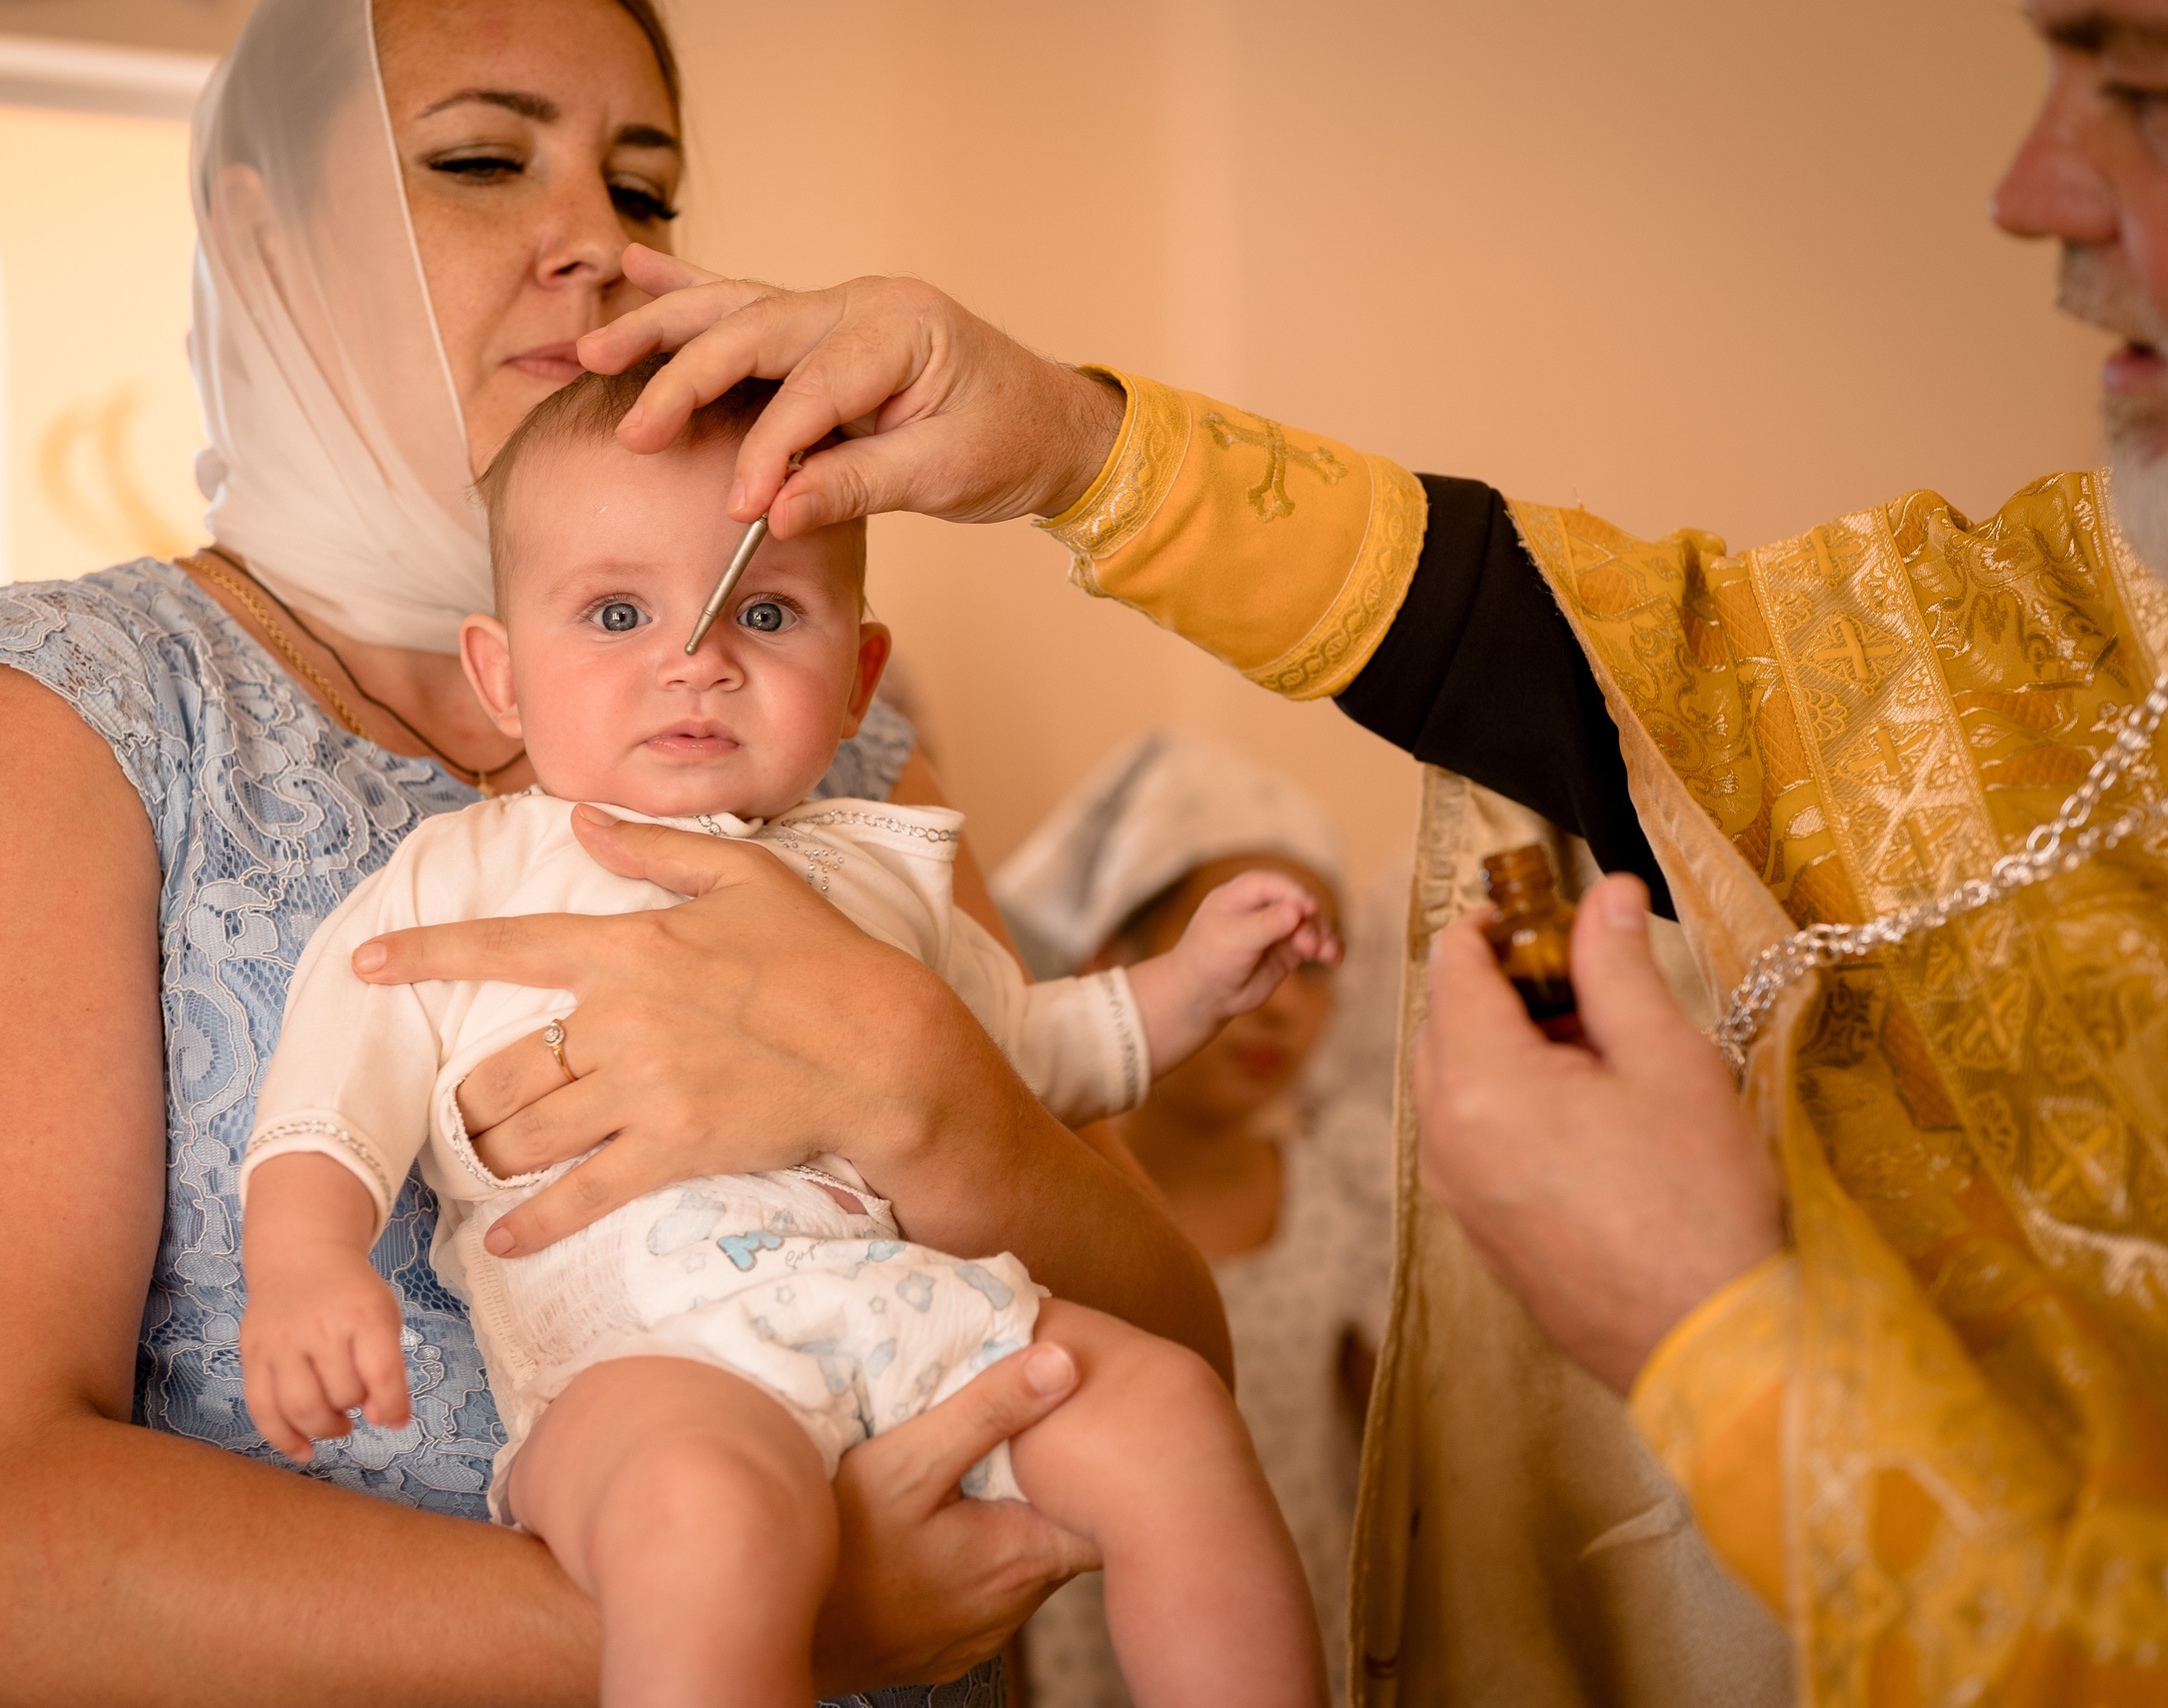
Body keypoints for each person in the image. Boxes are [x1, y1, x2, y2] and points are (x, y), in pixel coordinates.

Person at [522, 2, 2168, 1695]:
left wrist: (1722, 1336)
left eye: (2140, 93)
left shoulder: (867, 819)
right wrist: (1088, 448)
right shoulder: (2060, 607)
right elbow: (1670, 665)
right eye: (483, 159)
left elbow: (1050, 1078)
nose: (2034, 189)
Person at [0, 1, 1232, 1702]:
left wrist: (934, 1089)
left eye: (649, 187)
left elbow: (1172, 1339)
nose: (599, 250)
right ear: (264, 230)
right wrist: (760, 1614)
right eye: (482, 160)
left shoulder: (832, 746)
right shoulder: (62, 722)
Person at [239, 367, 1328, 1708]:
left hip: (915, 1323)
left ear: (860, 675)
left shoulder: (880, 880)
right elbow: (335, 1083)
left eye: (766, 610)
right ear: (503, 674)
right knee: (706, 1529)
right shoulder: (463, 873)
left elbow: (1026, 1056)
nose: (697, 657)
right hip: (643, 1369)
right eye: (618, 612)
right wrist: (301, 1260)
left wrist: (1192, 986)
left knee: (1171, 1414)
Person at [996, 732, 1394, 1708]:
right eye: (1246, 949)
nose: (1274, 1006)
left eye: (1310, 965)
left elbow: (1405, 1461)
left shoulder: (1344, 1197)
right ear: (1110, 963)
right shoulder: (1025, 1199)